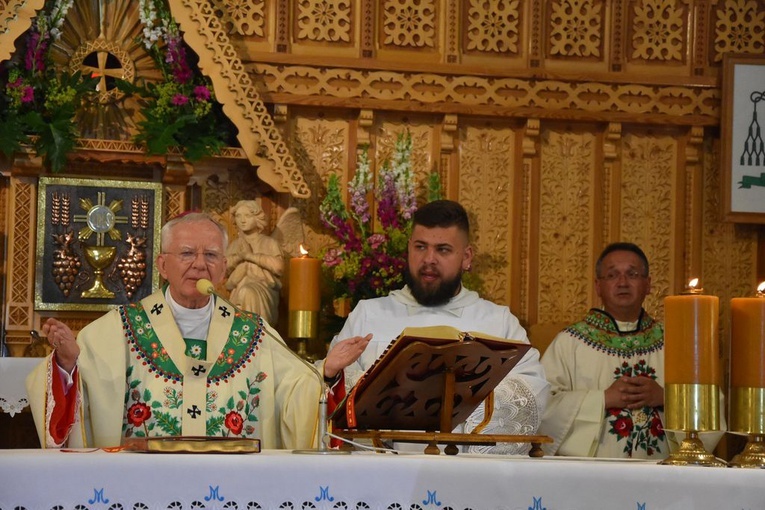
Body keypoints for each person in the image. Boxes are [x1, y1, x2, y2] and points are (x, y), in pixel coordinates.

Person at [26, 212, 321, 450]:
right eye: (187, 253)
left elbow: (298, 389)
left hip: (233, 482)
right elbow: (78, 391)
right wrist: (66, 365)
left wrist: (327, 373)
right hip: (143, 482)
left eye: (212, 255)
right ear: (163, 265)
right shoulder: (118, 329)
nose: (200, 265)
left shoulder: (254, 332)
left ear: (224, 268)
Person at [323, 200, 549, 454]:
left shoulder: (499, 322)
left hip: (466, 474)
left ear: (466, 257)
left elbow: (531, 392)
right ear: (409, 249)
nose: (429, 259)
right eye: (420, 247)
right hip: (383, 472)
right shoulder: (368, 314)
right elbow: (331, 384)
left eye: (443, 250)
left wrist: (461, 406)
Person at [538, 242, 667, 458]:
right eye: (612, 275)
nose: (623, 282)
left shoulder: (675, 342)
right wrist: (603, 399)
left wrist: (665, 397)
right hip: (591, 477)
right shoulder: (570, 342)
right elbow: (542, 407)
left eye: (632, 274)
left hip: (663, 475)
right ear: (598, 286)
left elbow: (707, 409)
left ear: (648, 284)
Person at [225, 200, 284, 326]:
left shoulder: (269, 243)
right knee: (243, 293)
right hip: (238, 290)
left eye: (247, 215)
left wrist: (250, 256)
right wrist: (239, 257)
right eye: (238, 216)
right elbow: (223, 268)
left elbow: (278, 267)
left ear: (257, 218)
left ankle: (256, 335)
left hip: (263, 290)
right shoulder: (234, 245)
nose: (242, 220)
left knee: (247, 292)